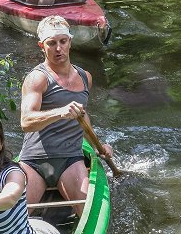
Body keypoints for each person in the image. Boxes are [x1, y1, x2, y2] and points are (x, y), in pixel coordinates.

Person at [18, 15, 113, 213]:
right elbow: (26, 121)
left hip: (71, 159)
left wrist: (98, 145)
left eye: (63, 41)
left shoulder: (85, 77)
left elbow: (82, 116)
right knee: (12, 219)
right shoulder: (37, 78)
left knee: (89, 213)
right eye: (51, 43)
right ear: (42, 46)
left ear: (70, 41)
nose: (58, 48)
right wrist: (60, 112)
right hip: (35, 160)